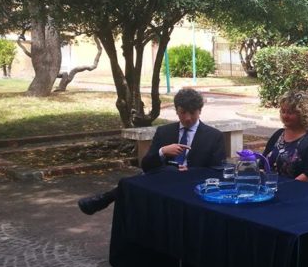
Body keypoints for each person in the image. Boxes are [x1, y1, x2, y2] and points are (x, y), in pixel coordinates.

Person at [77, 88, 225, 215]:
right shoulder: (164, 131)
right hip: (162, 182)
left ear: (200, 111)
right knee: (135, 183)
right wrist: (162, 152)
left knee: (145, 177)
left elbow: (217, 170)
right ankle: (107, 201)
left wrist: (190, 171)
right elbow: (146, 165)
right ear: (176, 111)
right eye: (183, 112)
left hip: (192, 182)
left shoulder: (214, 136)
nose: (187, 118)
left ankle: (105, 198)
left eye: (192, 113)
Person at [263, 90, 308, 184]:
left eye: (290, 113)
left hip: (300, 189)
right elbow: (263, 161)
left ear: (303, 114)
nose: (285, 116)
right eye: (283, 111)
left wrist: (285, 186)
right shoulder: (278, 134)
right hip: (270, 187)